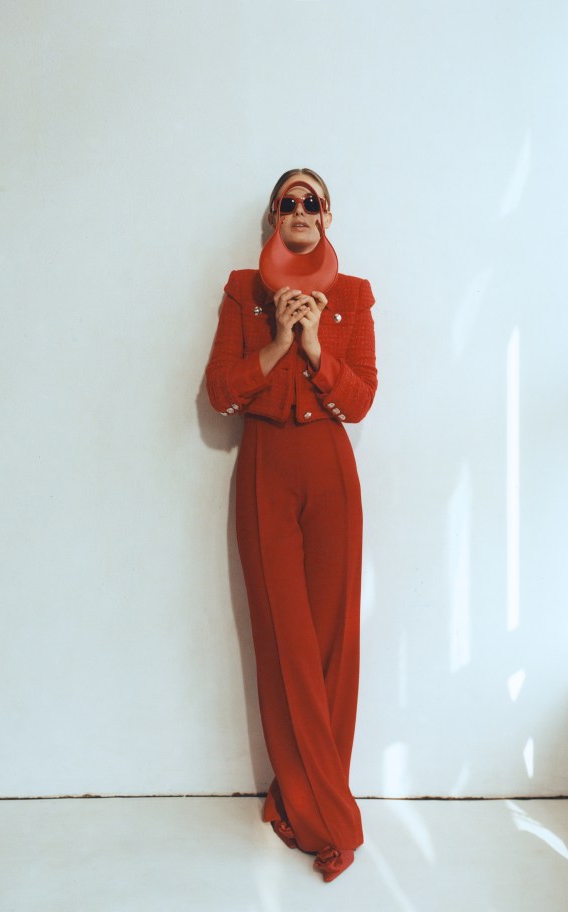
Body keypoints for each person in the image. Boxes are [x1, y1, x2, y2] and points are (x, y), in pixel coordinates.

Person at [205, 168, 377, 883]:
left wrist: (315, 348)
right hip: (265, 471)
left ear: (327, 214)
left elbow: (360, 401)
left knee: (335, 643)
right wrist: (277, 340)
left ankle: (306, 798)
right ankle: (330, 821)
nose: (300, 210)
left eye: (312, 201)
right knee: (286, 644)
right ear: (275, 217)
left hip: (331, 474)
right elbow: (219, 391)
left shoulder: (353, 295)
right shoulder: (242, 290)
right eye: (288, 202)